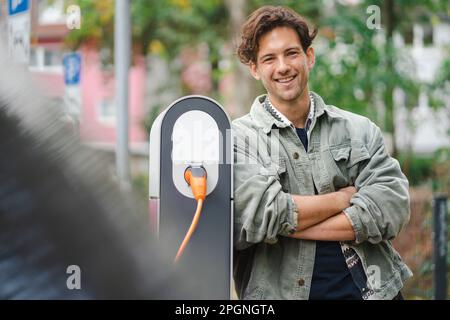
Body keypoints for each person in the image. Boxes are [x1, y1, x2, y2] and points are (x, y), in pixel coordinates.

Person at [232, 5, 412, 300]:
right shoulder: (239, 141)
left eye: (291, 53)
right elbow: (259, 216)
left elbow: (391, 207)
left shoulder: (358, 130)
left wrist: (288, 223)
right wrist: (343, 199)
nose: (283, 67)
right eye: (269, 58)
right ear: (255, 69)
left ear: (309, 57)